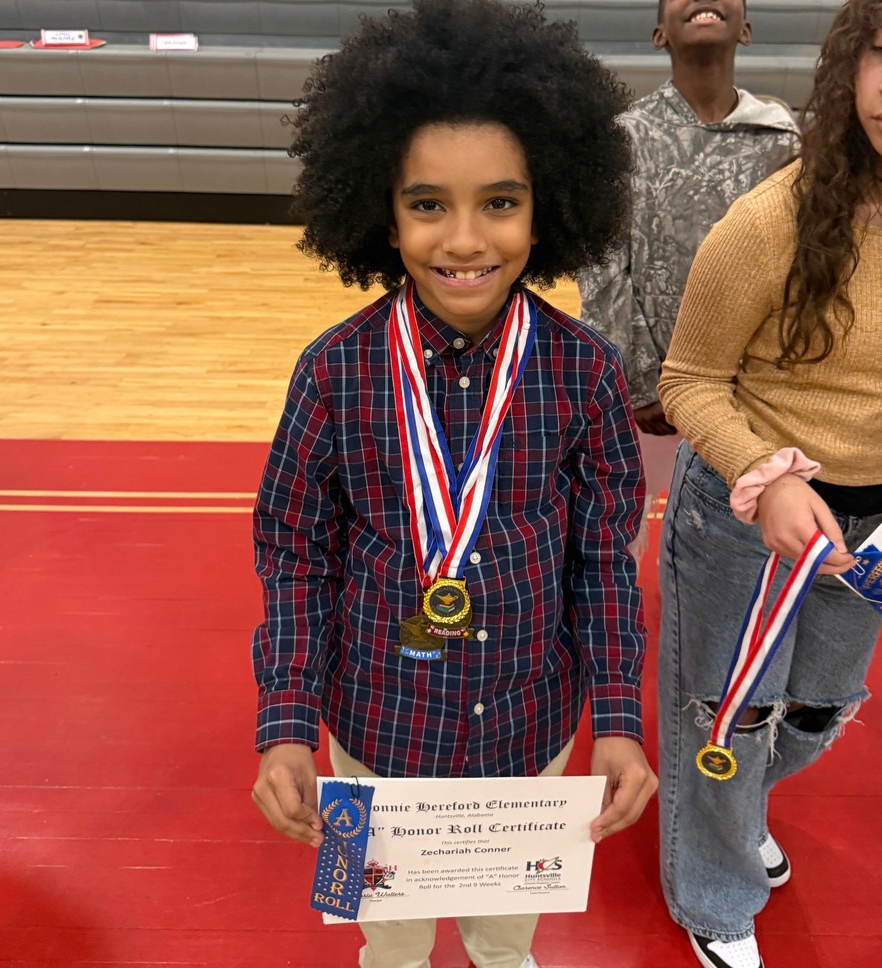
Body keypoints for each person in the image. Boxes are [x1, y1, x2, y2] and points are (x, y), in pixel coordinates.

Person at [248, 3, 658, 967]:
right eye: (429, 203)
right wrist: (285, 726)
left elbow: (601, 560)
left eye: (500, 203)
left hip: (531, 729)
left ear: (546, 203)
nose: (465, 239)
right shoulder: (333, 371)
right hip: (371, 730)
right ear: (382, 215)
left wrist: (619, 719)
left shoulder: (584, 371)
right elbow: (296, 557)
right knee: (384, 949)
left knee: (505, 949)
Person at [655, 1, 882, 966]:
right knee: (728, 713)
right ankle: (713, 895)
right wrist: (761, 474)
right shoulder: (773, 220)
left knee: (817, 715)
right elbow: (688, 380)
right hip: (749, 515)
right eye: (880, 48)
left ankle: (726, 803)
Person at [577, 0, 799, 532]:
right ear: (659, 34)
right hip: (647, 401)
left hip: (754, 395)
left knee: (744, 537)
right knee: (632, 534)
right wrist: (642, 382)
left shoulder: (781, 142)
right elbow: (603, 270)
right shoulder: (623, 139)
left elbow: (797, 271)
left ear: (745, 28)